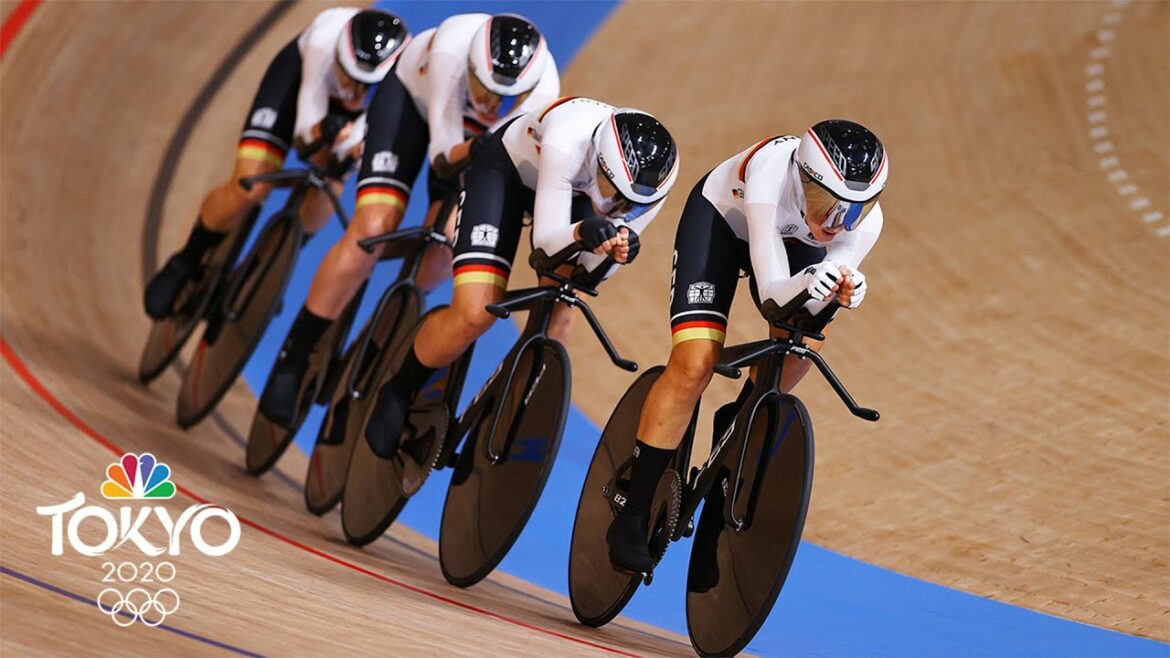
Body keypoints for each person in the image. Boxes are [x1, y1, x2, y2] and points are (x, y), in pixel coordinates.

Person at [606, 119, 889, 574]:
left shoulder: (862, 222)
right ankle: (634, 506)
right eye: (826, 206)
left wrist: (844, 289)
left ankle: (733, 449)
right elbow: (776, 290)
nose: (837, 225)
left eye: (853, 212)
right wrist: (814, 282)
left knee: (804, 344)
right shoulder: (769, 179)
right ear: (802, 181)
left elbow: (821, 288)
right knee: (695, 363)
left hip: (791, 245)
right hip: (722, 222)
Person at [258, 13, 561, 427]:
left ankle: (370, 359)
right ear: (471, 67)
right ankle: (293, 359)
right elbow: (443, 155)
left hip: (482, 145)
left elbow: (497, 166)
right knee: (373, 229)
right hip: (416, 108)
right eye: (485, 90)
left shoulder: (543, 93)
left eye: (504, 99)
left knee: (443, 251)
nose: (490, 104)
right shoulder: (452, 49)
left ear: (525, 92)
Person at [363, 96, 681, 459]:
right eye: (613, 195)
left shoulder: (650, 189)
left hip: (574, 196)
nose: (618, 209)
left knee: (560, 318)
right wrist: (582, 234)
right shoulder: (568, 140)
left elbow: (588, 278)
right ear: (599, 163)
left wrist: (616, 254)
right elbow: (545, 247)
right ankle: (398, 390)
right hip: (506, 174)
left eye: (630, 206)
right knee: (475, 312)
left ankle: (491, 429)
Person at [143, 7, 410, 320]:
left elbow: (367, 136)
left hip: (359, 120)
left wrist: (345, 149)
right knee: (250, 186)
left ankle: (269, 266)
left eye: (366, 87)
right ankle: (186, 260)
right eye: (348, 78)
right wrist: (324, 132)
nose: (353, 94)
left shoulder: (400, 80)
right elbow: (303, 138)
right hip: (295, 83)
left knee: (332, 178)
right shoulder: (323, 41)